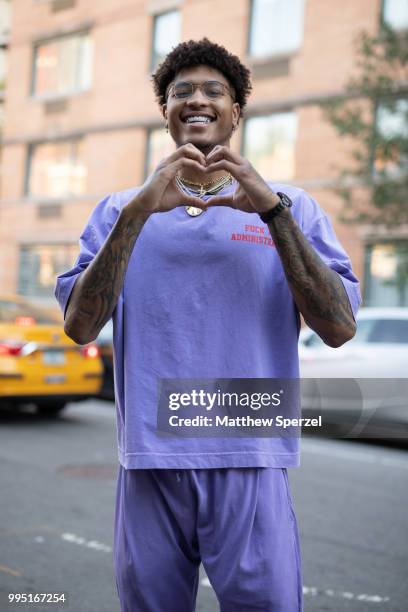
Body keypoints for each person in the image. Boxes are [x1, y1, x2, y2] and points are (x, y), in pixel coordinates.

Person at [55, 38, 361, 612]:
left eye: (213, 90)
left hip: (251, 452)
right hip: (150, 457)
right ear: (166, 112)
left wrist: (271, 212)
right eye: (181, 92)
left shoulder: (290, 204)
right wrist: (140, 211)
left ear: (236, 111)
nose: (197, 100)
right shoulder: (121, 208)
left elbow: (339, 325)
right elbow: (80, 327)